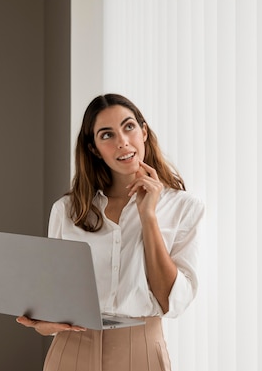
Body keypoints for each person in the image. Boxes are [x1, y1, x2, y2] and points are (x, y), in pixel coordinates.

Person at [16, 93, 205, 371]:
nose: (122, 142)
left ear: (143, 131)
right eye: (107, 135)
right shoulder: (67, 210)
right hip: (71, 348)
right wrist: (42, 323)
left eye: (128, 127)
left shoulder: (184, 208)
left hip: (141, 350)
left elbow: (170, 303)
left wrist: (148, 216)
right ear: (94, 149)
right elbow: (53, 304)